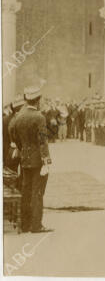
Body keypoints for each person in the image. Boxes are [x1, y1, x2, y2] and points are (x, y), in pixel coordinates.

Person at [9, 85, 53, 233]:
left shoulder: (19, 116)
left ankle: (25, 224)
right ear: (37, 100)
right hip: (38, 161)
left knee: (26, 191)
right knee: (38, 192)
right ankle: (36, 225)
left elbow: (13, 134)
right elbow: (42, 141)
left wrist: (21, 149)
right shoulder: (39, 117)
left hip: (25, 160)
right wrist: (46, 161)